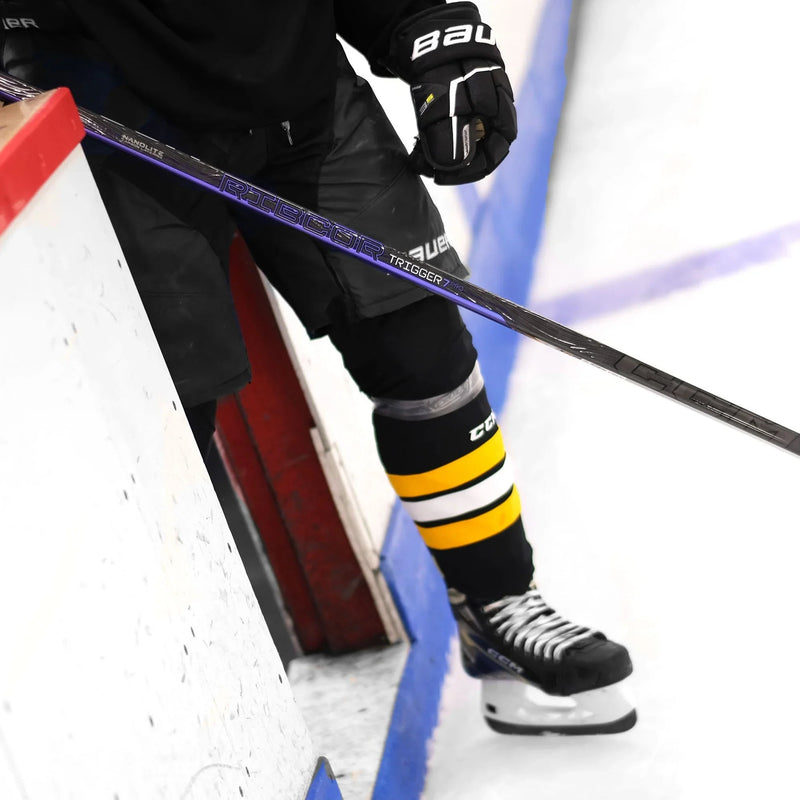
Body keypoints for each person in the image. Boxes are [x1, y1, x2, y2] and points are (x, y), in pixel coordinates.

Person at [0, 0, 635, 733]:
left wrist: (427, 22)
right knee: (169, 424)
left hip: (296, 83)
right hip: (103, 102)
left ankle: (498, 611)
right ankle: (225, 725)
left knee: (421, 351)